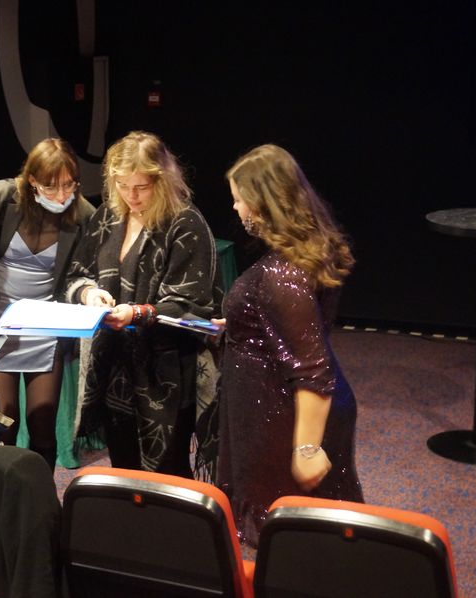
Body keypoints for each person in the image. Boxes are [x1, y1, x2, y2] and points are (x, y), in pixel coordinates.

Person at [217, 143, 364, 547]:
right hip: (274, 408)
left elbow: (312, 371)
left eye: (239, 199)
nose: (235, 208)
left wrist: (306, 448)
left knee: (292, 536)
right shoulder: (300, 253)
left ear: (262, 202)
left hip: (282, 417)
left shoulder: (281, 275)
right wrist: (239, 324)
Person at [65, 131, 218, 477]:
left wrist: (137, 313)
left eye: (141, 187)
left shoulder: (185, 223)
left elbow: (191, 303)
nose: (130, 196)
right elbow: (76, 275)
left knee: (169, 473)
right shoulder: (107, 216)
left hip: (165, 372)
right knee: (124, 468)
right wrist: (89, 294)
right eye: (122, 186)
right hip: (114, 367)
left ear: (161, 181)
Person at [0, 138, 96, 470]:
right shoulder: (0, 197)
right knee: (3, 419)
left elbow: (81, 274)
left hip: (45, 326)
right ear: (31, 180)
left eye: (69, 185)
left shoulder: (84, 214)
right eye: (50, 186)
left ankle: (39, 494)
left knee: (42, 419)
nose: (61, 195)